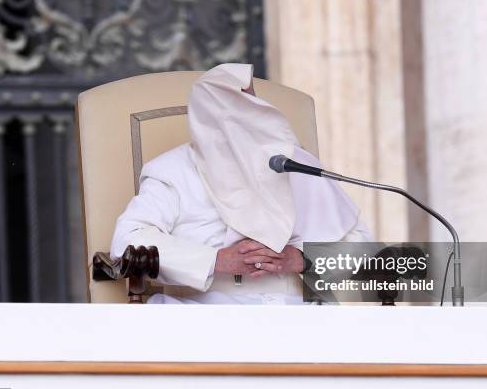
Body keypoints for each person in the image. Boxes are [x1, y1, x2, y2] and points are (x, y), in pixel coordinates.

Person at [110, 63, 372, 304]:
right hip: (209, 316)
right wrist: (215, 261)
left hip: (298, 314)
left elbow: (363, 247)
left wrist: (302, 259)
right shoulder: (172, 170)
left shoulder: (292, 163)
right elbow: (127, 242)